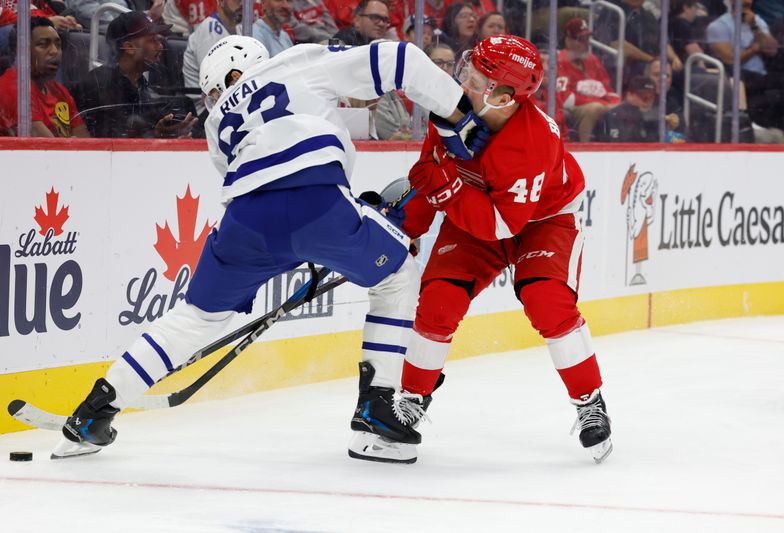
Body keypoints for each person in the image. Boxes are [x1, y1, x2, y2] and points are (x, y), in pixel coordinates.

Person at [53, 34, 485, 459]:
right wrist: (463, 115)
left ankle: (92, 414)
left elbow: (259, 183)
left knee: (195, 318)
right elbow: (401, 57)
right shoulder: (295, 62)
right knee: (396, 278)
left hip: (244, 222)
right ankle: (375, 410)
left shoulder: (216, 120)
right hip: (318, 200)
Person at [347, 35, 613, 465]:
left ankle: (589, 399)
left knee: (546, 300)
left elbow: (500, 223)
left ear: (505, 95)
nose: (462, 81)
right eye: (467, 71)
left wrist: (447, 187)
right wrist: (404, 232)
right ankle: (411, 399)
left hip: (539, 221)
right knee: (437, 301)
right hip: (475, 214)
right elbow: (427, 176)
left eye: (475, 78)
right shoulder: (452, 107)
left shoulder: (534, 140)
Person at [72, 11, 198, 138]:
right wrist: (155, 135)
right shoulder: (98, 85)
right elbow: (112, 146)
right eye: (153, 40)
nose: (160, 47)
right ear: (129, 47)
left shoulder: (141, 86)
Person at [0, 17, 89, 137]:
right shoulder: (13, 90)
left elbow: (85, 142)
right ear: (20, 52)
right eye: (43, 45)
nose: (54, 51)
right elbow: (46, 150)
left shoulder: (59, 90)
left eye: (58, 45)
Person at [706, 0, 784, 130]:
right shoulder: (718, 26)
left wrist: (754, 27)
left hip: (762, 75)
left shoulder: (757, 22)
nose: (745, 9)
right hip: (740, 77)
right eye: (743, 5)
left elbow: (772, 50)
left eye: (748, 6)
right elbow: (730, 59)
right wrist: (753, 50)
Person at [556, 18, 619, 142]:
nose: (586, 43)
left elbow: (609, 90)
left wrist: (616, 104)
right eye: (581, 39)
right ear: (568, 41)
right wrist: (599, 102)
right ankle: (585, 148)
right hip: (572, 108)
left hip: (598, 104)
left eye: (587, 38)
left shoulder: (592, 60)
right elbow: (565, 99)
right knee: (594, 108)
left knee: (622, 108)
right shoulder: (559, 61)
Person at [183, 0, 243, 114]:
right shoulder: (209, 29)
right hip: (203, 110)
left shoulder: (239, 29)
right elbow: (213, 85)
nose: (242, 4)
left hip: (228, 102)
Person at [592, 75, 658, 142]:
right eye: (642, 96)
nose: (646, 101)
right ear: (629, 95)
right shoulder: (612, 118)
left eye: (651, 97)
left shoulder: (654, 120)